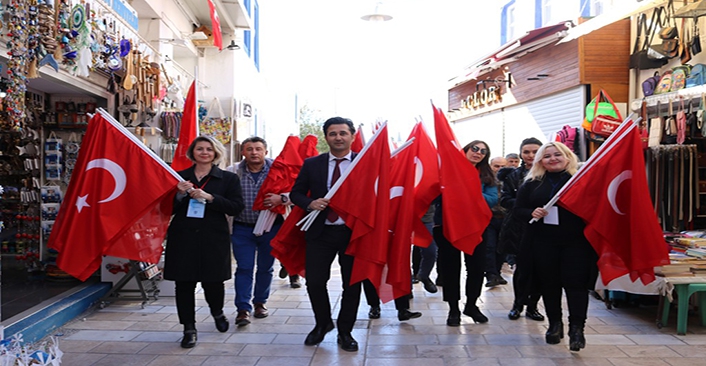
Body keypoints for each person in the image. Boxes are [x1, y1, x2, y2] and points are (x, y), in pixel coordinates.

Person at [514, 141, 598, 352]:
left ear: (567, 156)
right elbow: (518, 210)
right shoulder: (532, 183)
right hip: (543, 242)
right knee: (549, 285)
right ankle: (555, 325)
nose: (553, 159)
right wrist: (531, 213)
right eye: (547, 156)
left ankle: (577, 329)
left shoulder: (580, 180)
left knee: (575, 285)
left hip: (576, 242)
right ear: (541, 161)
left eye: (557, 155)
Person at [163, 136, 245, 349]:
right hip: (183, 237)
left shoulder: (228, 179)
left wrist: (210, 198)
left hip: (213, 238)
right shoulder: (179, 177)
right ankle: (188, 328)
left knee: (213, 282)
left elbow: (236, 207)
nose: (204, 152)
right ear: (192, 152)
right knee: (184, 284)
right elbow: (164, 209)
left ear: (216, 153)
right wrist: (179, 195)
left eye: (209, 149)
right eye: (200, 149)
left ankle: (217, 312)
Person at [290, 117, 363, 352]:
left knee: (352, 285)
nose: (338, 138)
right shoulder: (313, 164)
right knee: (315, 281)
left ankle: (345, 331)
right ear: (326, 137)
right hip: (320, 232)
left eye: (343, 133)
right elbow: (296, 193)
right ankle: (322, 324)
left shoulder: (363, 164)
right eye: (333, 134)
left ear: (352, 136)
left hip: (353, 233)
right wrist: (310, 203)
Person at [228, 136, 292, 326]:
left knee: (266, 267)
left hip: (271, 228)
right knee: (244, 267)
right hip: (242, 228)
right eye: (249, 149)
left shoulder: (280, 171)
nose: (254, 152)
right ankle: (242, 308)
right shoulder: (233, 172)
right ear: (243, 152)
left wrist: (282, 198)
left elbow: (297, 192)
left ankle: (260, 303)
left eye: (258, 149)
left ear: (265, 151)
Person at [434, 140, 497, 326]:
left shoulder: (487, 175)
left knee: (476, 268)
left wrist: (468, 190)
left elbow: (492, 200)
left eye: (483, 151)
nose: (478, 153)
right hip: (448, 226)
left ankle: (471, 305)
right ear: (466, 150)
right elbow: (435, 195)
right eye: (475, 149)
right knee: (451, 268)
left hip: (476, 227)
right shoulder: (446, 171)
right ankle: (453, 309)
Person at [498, 138, 545, 322]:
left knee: (541, 270)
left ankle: (533, 306)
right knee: (521, 269)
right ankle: (518, 304)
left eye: (535, 151)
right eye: (526, 152)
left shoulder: (549, 173)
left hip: (543, 227)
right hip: (518, 226)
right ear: (521, 154)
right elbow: (504, 200)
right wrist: (524, 206)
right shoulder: (513, 175)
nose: (531, 155)